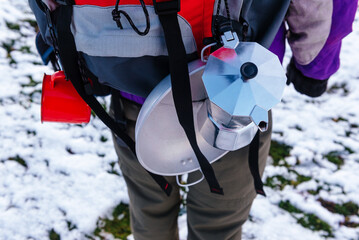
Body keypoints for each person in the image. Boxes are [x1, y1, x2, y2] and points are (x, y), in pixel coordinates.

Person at [29, 0, 357, 239]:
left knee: (149, 214)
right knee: (219, 224)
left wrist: (54, 41)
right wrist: (315, 66)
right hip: (235, 92)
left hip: (134, 90)